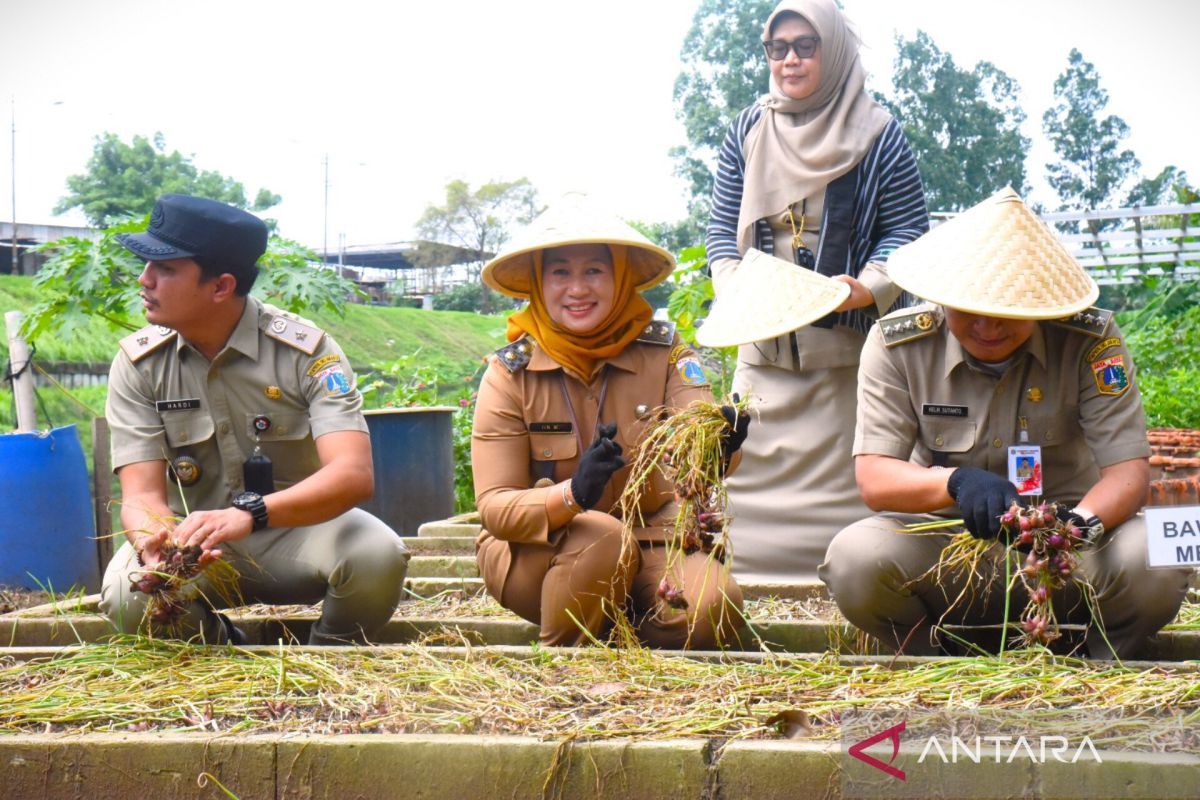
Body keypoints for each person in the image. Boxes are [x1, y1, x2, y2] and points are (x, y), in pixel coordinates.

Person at [820, 188, 1192, 658]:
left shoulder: (1089, 340)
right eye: (970, 311)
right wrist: (955, 483)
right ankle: (931, 661)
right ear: (941, 298)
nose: (988, 327)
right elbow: (874, 475)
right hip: (950, 554)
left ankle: (1100, 663)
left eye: (1008, 313)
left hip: (1070, 558)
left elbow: (1128, 472)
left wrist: (1077, 526)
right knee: (854, 555)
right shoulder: (898, 346)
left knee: (1164, 545)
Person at [99, 194, 410, 645]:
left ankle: (329, 655)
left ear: (221, 286)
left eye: (165, 269)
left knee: (376, 554)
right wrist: (156, 540)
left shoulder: (307, 353)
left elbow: (353, 474)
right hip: (197, 545)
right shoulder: (139, 364)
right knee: (128, 597)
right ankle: (225, 645)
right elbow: (141, 495)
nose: (144, 280)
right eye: (147, 265)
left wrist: (252, 513)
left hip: (297, 533)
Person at [705, 0, 928, 582]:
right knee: (744, 511)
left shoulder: (878, 131)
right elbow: (721, 228)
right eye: (777, 49)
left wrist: (866, 287)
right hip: (765, 358)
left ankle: (855, 587)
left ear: (834, 51)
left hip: (845, 365)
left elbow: (908, 229)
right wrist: (740, 292)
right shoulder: (747, 129)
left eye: (806, 46)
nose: (791, 60)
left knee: (853, 516)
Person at [472, 194, 748, 649]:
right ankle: (564, 665)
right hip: (541, 554)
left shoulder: (666, 353)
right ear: (539, 284)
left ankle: (626, 643)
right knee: (601, 536)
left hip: (652, 542)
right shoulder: (509, 374)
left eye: (594, 271)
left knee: (714, 609)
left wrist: (720, 446)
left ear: (620, 279)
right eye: (560, 272)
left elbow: (695, 441)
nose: (577, 289)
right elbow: (495, 508)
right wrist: (571, 496)